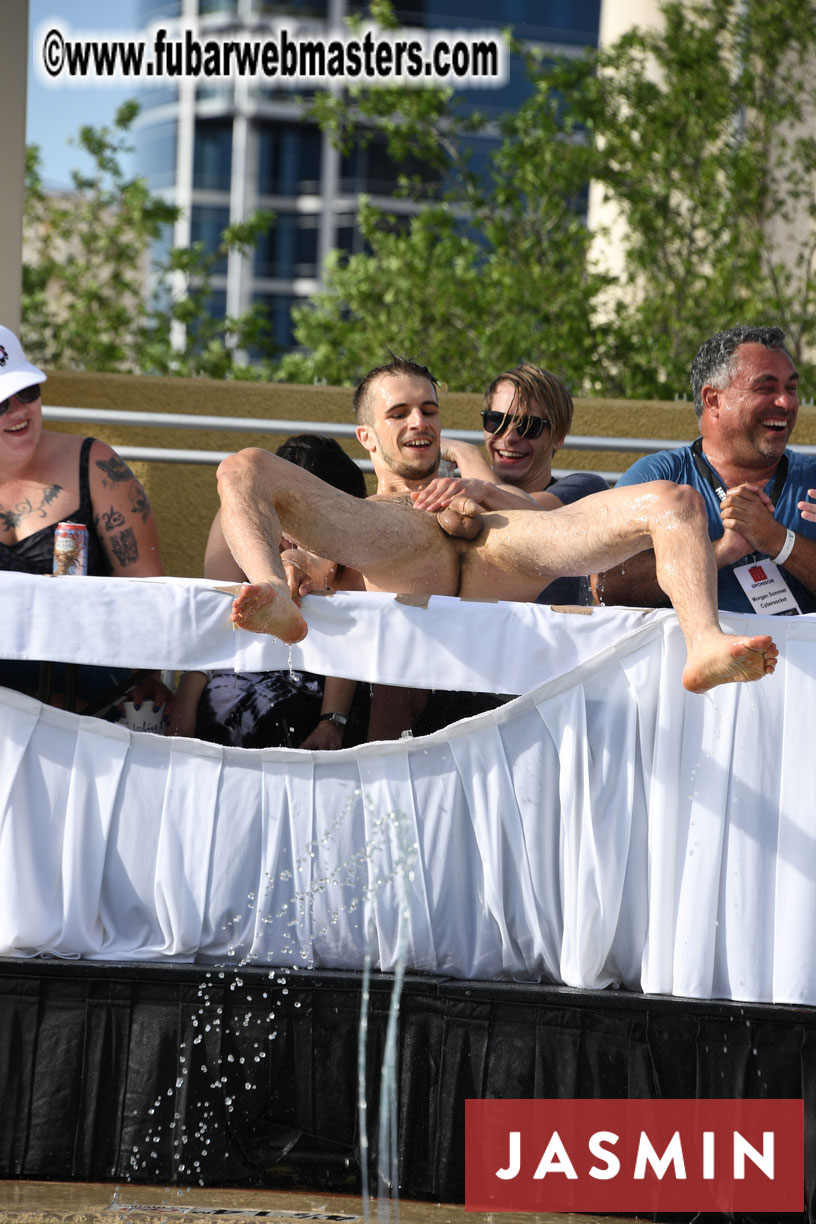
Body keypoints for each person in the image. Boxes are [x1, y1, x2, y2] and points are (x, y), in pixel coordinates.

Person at [214, 359, 778, 697]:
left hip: (501, 544)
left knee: (673, 499)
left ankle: (703, 642)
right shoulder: (367, 515)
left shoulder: (491, 489)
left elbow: (531, 511)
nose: (419, 422)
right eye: (399, 413)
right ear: (367, 438)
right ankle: (267, 591)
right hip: (407, 539)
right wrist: (294, 567)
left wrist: (473, 487)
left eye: (430, 411)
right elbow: (329, 559)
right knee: (243, 466)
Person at [593, 325, 816, 615]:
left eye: (791, 389)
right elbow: (606, 588)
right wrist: (721, 551)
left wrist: (779, 541)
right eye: (766, 388)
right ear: (713, 400)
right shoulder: (659, 478)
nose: (786, 402)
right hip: (690, 658)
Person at [0, 324, 166, 709]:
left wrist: (151, 679)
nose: (19, 411)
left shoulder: (95, 465)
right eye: (1, 403)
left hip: (84, 683)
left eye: (27, 392)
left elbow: (150, 594)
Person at [168, 435, 368, 748]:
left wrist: (332, 720)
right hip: (245, 670)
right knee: (219, 704)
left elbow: (352, 633)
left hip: (331, 677)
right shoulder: (240, 520)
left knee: (286, 712)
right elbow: (215, 622)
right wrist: (183, 706)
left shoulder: (351, 536)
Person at [423, 363, 608, 603]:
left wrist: (466, 454)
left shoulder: (584, 491)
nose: (508, 438)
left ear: (559, 436)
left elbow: (534, 520)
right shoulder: (463, 493)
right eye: (495, 421)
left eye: (527, 427)